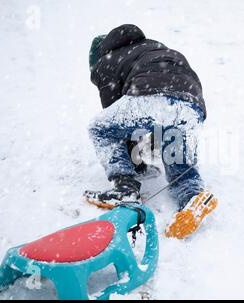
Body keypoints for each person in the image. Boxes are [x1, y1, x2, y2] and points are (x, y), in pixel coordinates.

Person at [84, 24, 217, 239]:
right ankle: (193, 196)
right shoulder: (152, 47)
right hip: (190, 104)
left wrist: (135, 165)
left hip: (150, 95)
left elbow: (118, 124)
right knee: (174, 154)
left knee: (101, 129)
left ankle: (124, 188)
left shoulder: (105, 62)